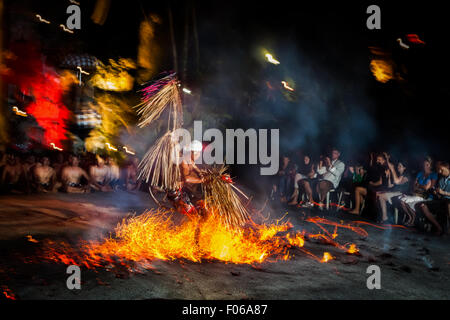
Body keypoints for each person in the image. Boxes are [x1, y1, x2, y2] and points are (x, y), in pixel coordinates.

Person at [398, 156, 438, 226]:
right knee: (400, 199)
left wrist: (419, 186)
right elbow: (414, 186)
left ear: (431, 165)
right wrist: (422, 186)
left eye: (427, 164)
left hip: (426, 197)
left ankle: (413, 219)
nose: (425, 166)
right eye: (424, 164)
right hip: (416, 194)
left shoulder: (433, 174)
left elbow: (429, 188)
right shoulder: (420, 173)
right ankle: (411, 217)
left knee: (404, 200)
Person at [417, 161, 450, 235]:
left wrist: (444, 193)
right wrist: (436, 193)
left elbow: (444, 193)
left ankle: (447, 229)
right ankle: (439, 228)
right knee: (423, 205)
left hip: (448, 201)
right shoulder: (441, 180)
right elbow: (440, 195)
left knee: (448, 204)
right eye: (439, 170)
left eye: (442, 170)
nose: (440, 172)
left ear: (447, 168)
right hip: (441, 200)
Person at [377, 157, 410, 223]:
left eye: (400, 166)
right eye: (398, 165)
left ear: (404, 168)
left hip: (402, 194)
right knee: (379, 195)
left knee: (382, 196)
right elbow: (390, 185)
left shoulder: (406, 175)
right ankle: (384, 217)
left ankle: (385, 217)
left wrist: (392, 169)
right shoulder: (399, 175)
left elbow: (397, 182)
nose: (398, 167)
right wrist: (389, 175)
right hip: (395, 192)